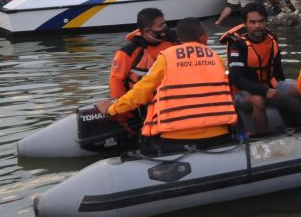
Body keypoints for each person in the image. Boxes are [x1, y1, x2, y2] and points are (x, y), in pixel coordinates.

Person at [95, 18, 238, 153]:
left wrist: (111, 109)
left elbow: (140, 92)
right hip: (219, 135)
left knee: (143, 140)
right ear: (204, 37)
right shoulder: (216, 58)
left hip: (174, 138)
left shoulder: (166, 57)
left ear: (180, 38)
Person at [221, 4, 299, 134]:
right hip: (242, 93)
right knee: (258, 100)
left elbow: (279, 72)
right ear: (245, 23)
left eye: (261, 21)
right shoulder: (237, 44)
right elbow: (236, 79)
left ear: (266, 22)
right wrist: (264, 90)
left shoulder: (272, 39)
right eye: (252, 22)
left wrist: (277, 90)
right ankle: (263, 139)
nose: (257, 26)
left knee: (300, 88)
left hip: (269, 86)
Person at [109, 8, 177, 99]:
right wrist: (126, 111)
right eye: (160, 26)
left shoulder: (175, 42)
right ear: (146, 31)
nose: (165, 28)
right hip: (142, 106)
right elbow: (115, 82)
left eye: (164, 24)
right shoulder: (128, 52)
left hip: (172, 98)